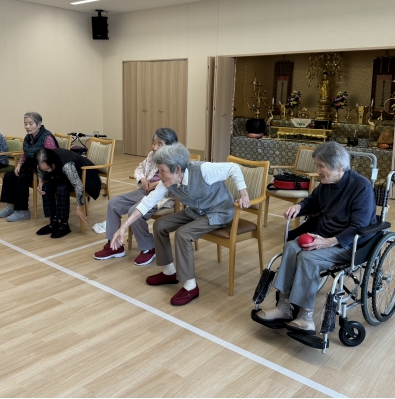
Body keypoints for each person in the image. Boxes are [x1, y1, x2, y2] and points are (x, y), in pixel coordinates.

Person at [254, 141, 377, 334]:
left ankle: (305, 318)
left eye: (321, 166)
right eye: (317, 165)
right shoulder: (327, 183)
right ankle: (284, 307)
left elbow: (359, 227)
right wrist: (299, 206)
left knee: (307, 258)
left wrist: (327, 242)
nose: (317, 171)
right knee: (291, 247)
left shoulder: (361, 187)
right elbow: (312, 201)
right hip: (322, 235)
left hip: (347, 244)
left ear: (339, 167)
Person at [110, 143, 250, 306]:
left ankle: (191, 286)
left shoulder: (203, 170)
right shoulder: (167, 182)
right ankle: (169, 272)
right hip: (196, 211)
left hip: (219, 211)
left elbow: (233, 168)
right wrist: (123, 227)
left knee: (183, 234)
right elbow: (147, 203)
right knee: (160, 225)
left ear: (177, 169)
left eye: (162, 170)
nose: (159, 175)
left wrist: (244, 194)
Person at [94, 128, 178, 265]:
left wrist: (155, 184)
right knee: (114, 203)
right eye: (153, 143)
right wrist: (143, 179)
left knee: (134, 210)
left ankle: (149, 248)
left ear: (170, 145)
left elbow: (173, 181)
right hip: (144, 191)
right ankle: (115, 245)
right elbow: (139, 169)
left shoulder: (175, 160)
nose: (155, 147)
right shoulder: (152, 155)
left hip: (163, 197)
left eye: (160, 144)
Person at [0, 112, 58, 222]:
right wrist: (20, 164)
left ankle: (23, 211)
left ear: (39, 124)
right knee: (9, 175)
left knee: (22, 179)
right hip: (31, 165)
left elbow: (51, 159)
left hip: (45, 169)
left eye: (30, 124)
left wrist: (41, 178)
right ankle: (11, 205)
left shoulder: (47, 137)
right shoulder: (28, 137)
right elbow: (25, 153)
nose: (27, 126)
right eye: (25, 124)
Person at [34, 147, 101, 239]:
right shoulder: (42, 160)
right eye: (45, 169)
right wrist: (41, 182)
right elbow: (39, 169)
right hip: (64, 176)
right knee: (46, 188)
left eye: (49, 168)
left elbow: (78, 186)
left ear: (52, 162)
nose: (48, 171)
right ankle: (53, 222)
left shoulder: (67, 165)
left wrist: (79, 208)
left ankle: (64, 225)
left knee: (61, 189)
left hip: (85, 177)